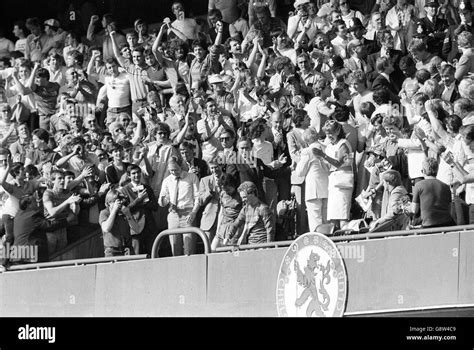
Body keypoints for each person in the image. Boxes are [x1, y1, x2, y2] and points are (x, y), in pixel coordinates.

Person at [314, 120, 354, 229]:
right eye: (327, 133)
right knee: (333, 217)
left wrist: (323, 155)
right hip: (333, 182)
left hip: (343, 181)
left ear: (337, 131)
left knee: (342, 216)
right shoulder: (329, 147)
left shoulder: (344, 143)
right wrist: (320, 158)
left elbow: (339, 163)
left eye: (331, 133)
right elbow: (327, 167)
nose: (329, 136)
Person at [158, 157, 200, 256]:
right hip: (173, 215)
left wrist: (194, 212)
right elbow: (162, 202)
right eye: (171, 170)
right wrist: (164, 200)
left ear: (181, 166)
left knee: (189, 248)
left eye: (176, 169)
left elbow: (198, 197)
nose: (173, 172)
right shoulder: (167, 181)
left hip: (188, 213)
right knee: (175, 246)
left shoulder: (192, 177)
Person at [295, 127, 330, 232]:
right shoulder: (326, 147)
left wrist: (298, 160)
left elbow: (300, 172)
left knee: (315, 221)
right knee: (326, 220)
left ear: (306, 141)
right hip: (327, 187)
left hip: (313, 189)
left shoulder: (307, 151)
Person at [119, 164, 158, 255]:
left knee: (152, 254)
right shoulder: (125, 190)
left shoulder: (147, 188)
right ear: (129, 175)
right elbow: (125, 210)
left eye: (138, 172)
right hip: (135, 228)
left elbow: (155, 207)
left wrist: (145, 202)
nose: (137, 175)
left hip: (149, 227)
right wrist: (138, 200)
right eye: (134, 173)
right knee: (137, 256)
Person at [410, 157, 455, 228]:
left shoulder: (418, 185)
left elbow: (414, 210)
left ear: (423, 171)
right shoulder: (446, 186)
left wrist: (406, 208)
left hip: (429, 225)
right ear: (437, 170)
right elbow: (450, 210)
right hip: (447, 224)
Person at [99, 188, 132, 257]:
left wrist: (128, 214)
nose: (119, 203)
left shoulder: (124, 212)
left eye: (120, 200)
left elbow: (137, 229)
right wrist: (114, 210)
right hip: (112, 251)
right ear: (108, 203)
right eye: (115, 201)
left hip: (126, 250)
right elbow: (106, 228)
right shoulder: (104, 213)